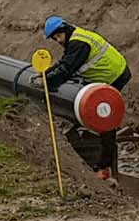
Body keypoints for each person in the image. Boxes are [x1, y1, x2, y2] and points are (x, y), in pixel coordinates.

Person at [40, 16, 130, 181]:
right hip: (112, 72)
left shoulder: (78, 43)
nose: (57, 40)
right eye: (54, 38)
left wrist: (47, 82)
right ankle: (102, 157)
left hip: (114, 76)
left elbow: (67, 69)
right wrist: (46, 74)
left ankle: (104, 165)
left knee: (104, 115)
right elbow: (63, 63)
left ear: (64, 30)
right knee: (99, 112)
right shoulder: (75, 38)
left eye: (57, 37)